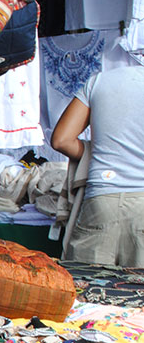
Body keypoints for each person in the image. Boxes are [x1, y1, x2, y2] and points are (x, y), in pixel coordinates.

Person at [51, 64, 144, 266]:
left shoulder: (100, 81)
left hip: (101, 200)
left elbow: (61, 140)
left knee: (89, 289)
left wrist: (102, 152)